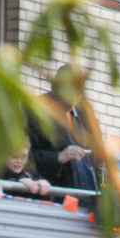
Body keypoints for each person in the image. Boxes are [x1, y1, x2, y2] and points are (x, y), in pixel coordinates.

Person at [27, 65, 99, 207]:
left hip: (78, 201)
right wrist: (58, 157)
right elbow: (23, 157)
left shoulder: (79, 115)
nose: (74, 99)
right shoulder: (37, 111)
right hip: (49, 200)